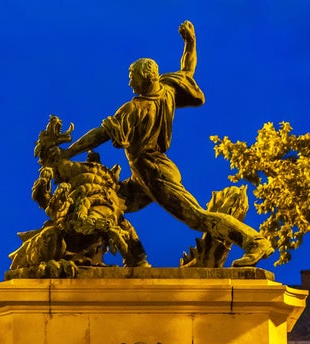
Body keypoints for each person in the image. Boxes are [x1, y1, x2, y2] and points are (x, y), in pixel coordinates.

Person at [59, 20, 273, 267]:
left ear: (145, 78)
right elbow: (188, 71)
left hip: (154, 173)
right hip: (144, 175)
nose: (129, 84)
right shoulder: (167, 89)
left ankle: (253, 241)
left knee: (197, 217)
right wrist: (190, 42)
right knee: (111, 204)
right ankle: (136, 260)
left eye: (132, 78)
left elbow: (100, 134)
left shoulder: (134, 109)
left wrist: (69, 152)